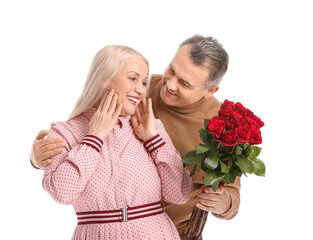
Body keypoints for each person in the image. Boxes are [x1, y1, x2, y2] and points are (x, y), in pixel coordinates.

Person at [31, 35, 241, 240]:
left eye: (185, 84)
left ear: (210, 90)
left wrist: (224, 203)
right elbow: (62, 185)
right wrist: (38, 157)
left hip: (177, 231)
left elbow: (220, 190)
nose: (170, 85)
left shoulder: (221, 126)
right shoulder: (146, 89)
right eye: (172, 70)